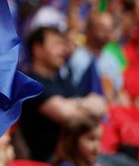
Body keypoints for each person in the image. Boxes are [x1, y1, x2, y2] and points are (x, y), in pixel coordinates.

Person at [20, 26, 107, 162]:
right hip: (51, 159)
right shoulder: (30, 83)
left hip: (78, 155)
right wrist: (80, 103)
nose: (63, 50)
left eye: (63, 45)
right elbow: (67, 116)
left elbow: (101, 105)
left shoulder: (62, 80)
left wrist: (72, 104)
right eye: (56, 45)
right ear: (38, 49)